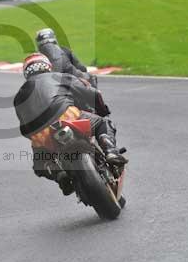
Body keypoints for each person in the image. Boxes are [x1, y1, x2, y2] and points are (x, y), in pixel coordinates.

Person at [13, 53, 127, 195]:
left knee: (40, 165)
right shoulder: (58, 77)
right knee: (101, 123)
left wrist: (38, 137)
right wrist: (102, 110)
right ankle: (110, 151)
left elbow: (24, 129)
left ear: (26, 73)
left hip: (40, 135)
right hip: (67, 116)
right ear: (47, 66)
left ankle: (60, 175)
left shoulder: (18, 97)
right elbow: (91, 93)